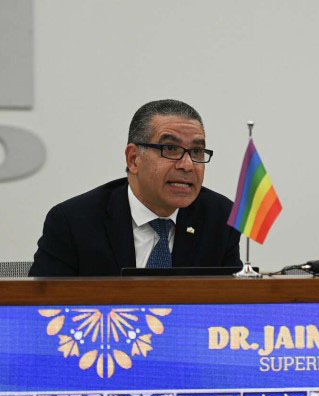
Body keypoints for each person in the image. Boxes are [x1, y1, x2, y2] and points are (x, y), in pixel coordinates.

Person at [29, 99, 242, 276]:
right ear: (133, 159)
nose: (187, 165)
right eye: (170, 148)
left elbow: (234, 309)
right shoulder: (73, 222)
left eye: (196, 152)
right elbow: (37, 311)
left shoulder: (220, 218)